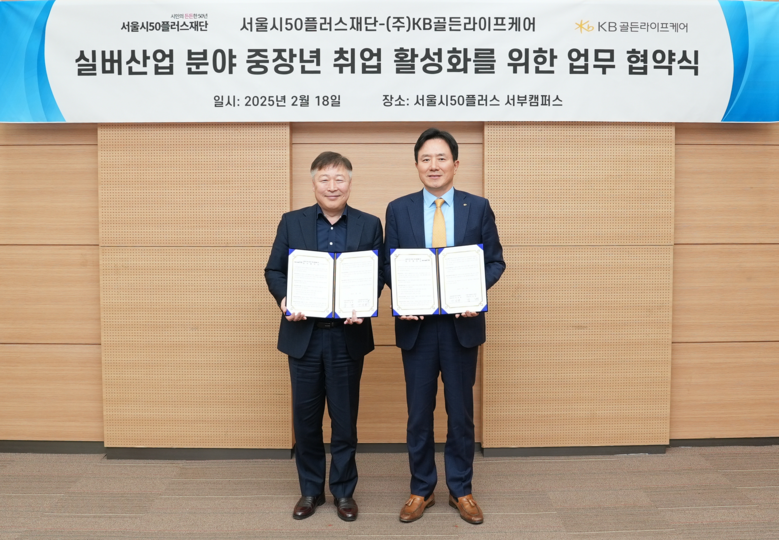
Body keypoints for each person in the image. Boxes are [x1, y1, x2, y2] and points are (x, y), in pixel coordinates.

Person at [384, 128, 505, 525]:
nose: (433, 166)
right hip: (417, 328)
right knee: (419, 414)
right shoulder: (398, 209)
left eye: (441, 158)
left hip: (460, 327)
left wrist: (474, 293)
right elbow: (389, 264)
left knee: (460, 413)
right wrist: (403, 297)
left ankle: (461, 489)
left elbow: (495, 261)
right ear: (417, 165)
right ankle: (421, 489)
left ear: (455, 163)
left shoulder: (478, 207)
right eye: (425, 159)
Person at [265, 151, 383, 522]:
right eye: (324, 179)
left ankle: (344, 492)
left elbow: (377, 273)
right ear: (313, 183)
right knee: (306, 420)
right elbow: (274, 271)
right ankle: (310, 490)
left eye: (339, 179)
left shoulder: (369, 224)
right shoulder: (292, 222)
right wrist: (285, 300)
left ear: (350, 183)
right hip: (304, 336)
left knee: (344, 421)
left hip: (347, 337)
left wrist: (364, 303)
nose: (332, 186)